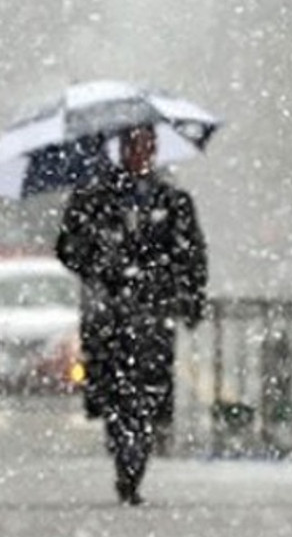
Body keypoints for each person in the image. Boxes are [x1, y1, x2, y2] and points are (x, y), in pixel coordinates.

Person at [54, 125, 207, 506]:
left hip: (151, 316)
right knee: (115, 395)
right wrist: (103, 262)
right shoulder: (91, 198)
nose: (142, 153)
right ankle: (124, 452)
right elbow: (68, 248)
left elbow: (191, 257)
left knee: (146, 394)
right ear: (119, 149)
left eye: (148, 144)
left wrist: (186, 297)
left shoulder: (173, 201)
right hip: (108, 317)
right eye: (134, 144)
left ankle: (132, 464)